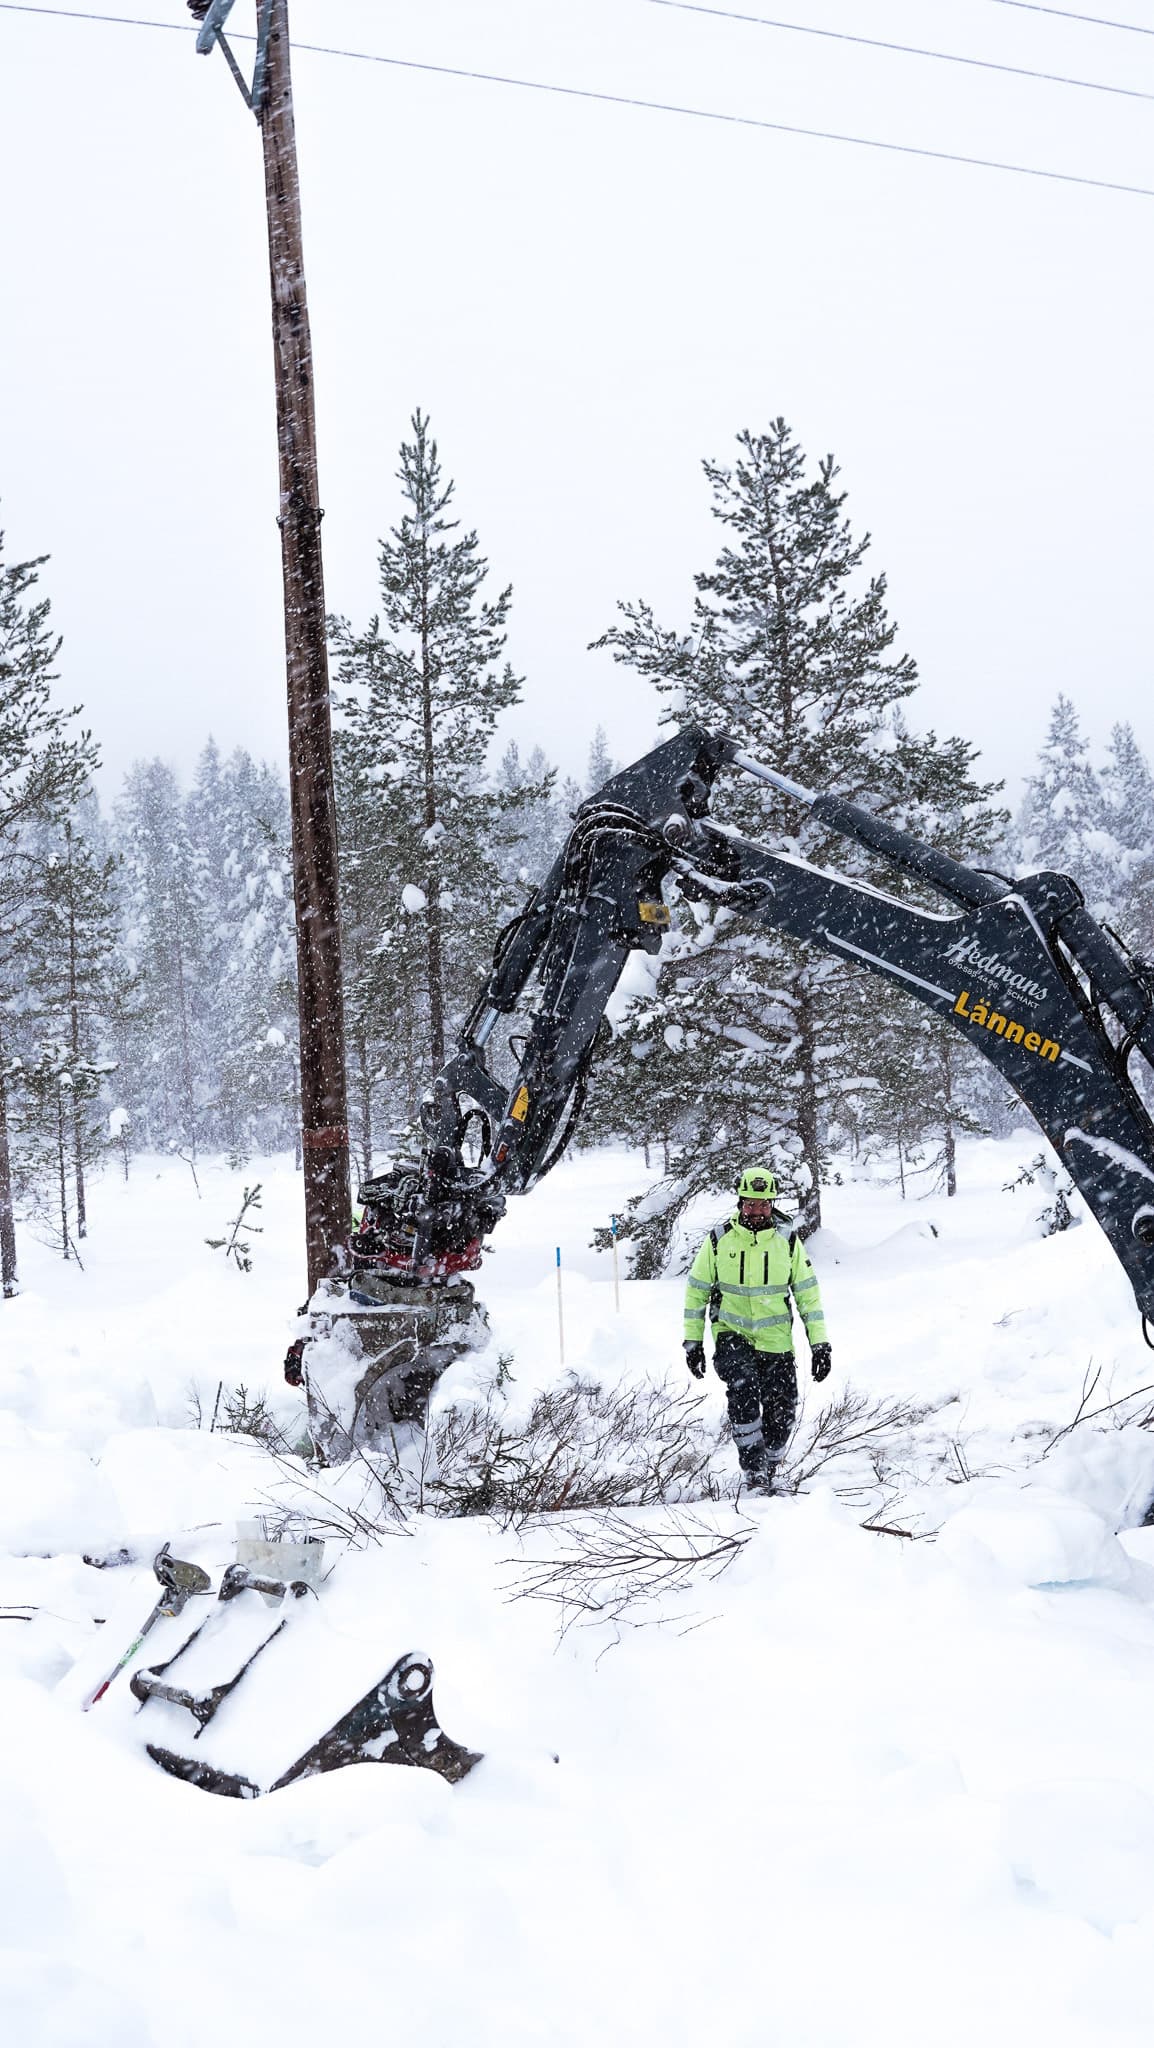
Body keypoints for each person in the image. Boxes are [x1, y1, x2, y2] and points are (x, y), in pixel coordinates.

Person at [683, 1166, 831, 1493]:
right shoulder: (719, 1240)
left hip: (776, 1343)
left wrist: (820, 1344)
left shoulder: (788, 1242)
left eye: (763, 1204)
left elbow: (808, 1296)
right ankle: (754, 1470)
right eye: (750, 1203)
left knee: (783, 1411)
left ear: (773, 1204)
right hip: (731, 1336)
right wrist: (692, 1342)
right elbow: (696, 1291)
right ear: (740, 1202)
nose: (756, 1210)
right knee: (744, 1392)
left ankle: (771, 1462)